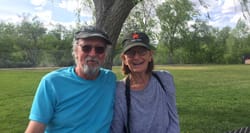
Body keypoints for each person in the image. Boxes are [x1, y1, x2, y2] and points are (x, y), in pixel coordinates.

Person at [25, 26, 117, 133]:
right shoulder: (52, 82)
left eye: (99, 49)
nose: (92, 54)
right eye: (86, 48)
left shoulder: (110, 79)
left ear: (104, 54)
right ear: (75, 51)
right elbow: (35, 129)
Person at [111, 32, 180, 133]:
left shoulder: (165, 79)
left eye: (142, 52)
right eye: (131, 53)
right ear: (124, 59)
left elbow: (174, 121)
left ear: (150, 55)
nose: (137, 57)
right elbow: (117, 129)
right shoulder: (119, 90)